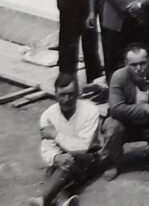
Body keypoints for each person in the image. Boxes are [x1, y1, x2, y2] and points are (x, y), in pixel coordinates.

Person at [101, 43, 149, 180]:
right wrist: (144, 108)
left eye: (143, 63)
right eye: (133, 65)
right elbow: (115, 108)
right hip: (126, 125)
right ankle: (112, 163)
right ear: (125, 64)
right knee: (111, 126)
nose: (139, 69)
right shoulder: (118, 77)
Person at [28, 73, 101, 206]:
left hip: (88, 158)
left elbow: (83, 146)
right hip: (63, 162)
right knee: (59, 164)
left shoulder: (91, 111)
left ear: (78, 94)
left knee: (67, 161)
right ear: (55, 94)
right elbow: (47, 148)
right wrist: (56, 158)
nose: (67, 99)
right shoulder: (47, 115)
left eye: (71, 94)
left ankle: (44, 199)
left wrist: (55, 135)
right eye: (62, 95)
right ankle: (63, 200)